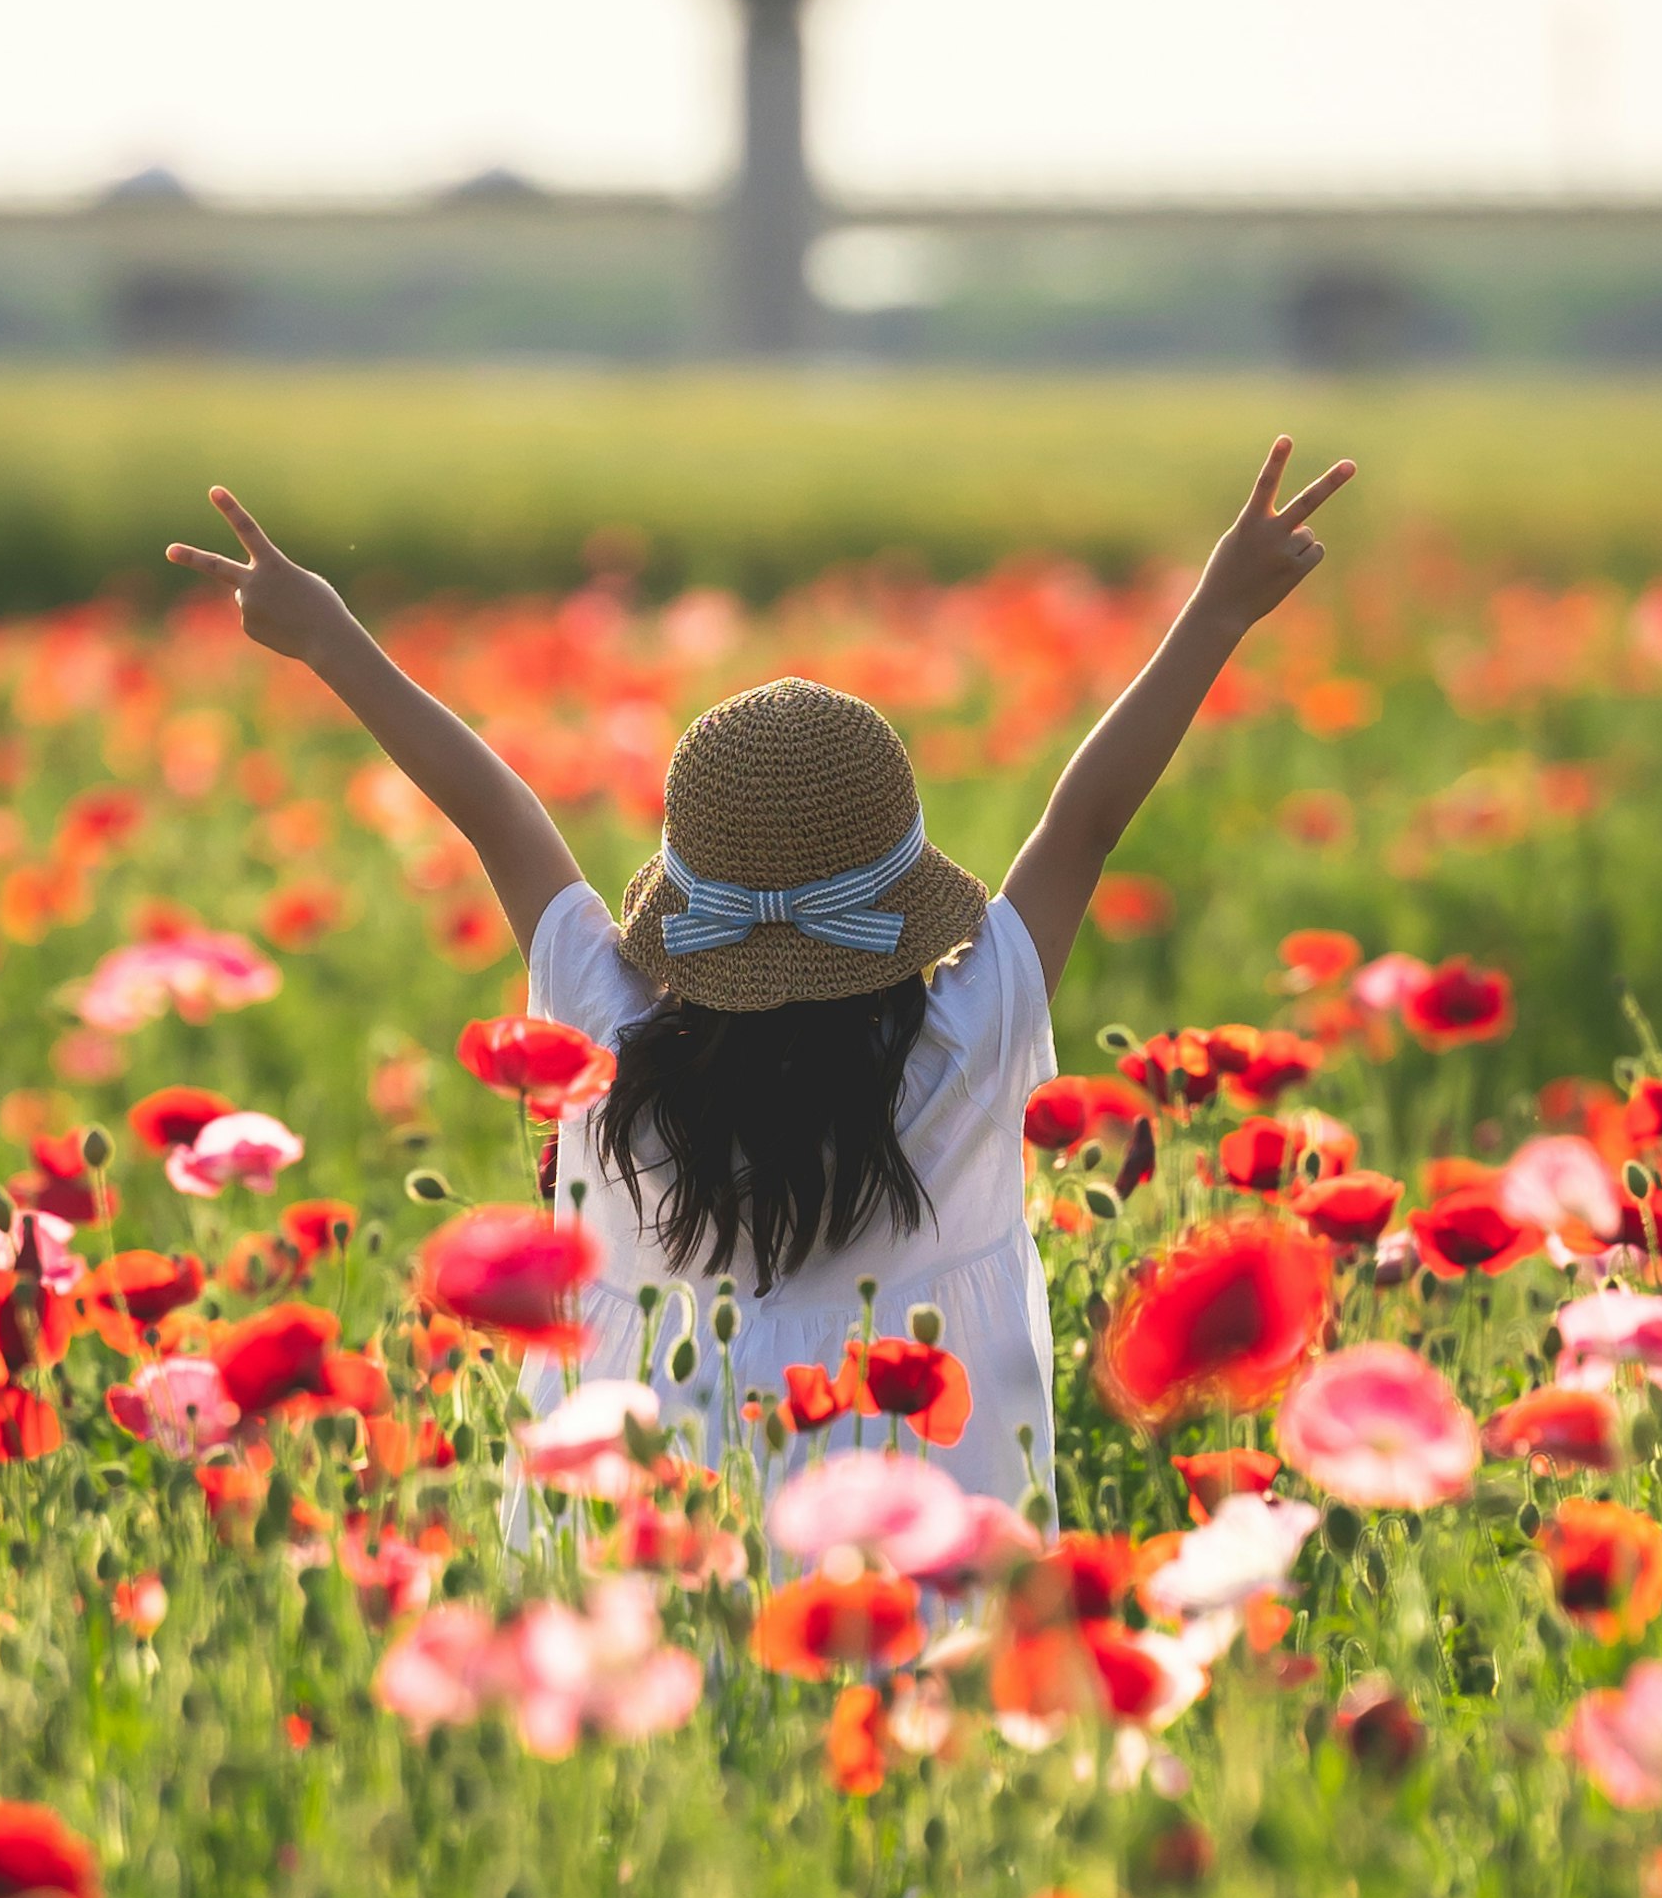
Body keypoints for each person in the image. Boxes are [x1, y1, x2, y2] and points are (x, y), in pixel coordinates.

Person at [165, 434, 1354, 1508]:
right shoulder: (965, 1044)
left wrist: (326, 635)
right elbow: (1084, 822)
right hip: (914, 1590)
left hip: (650, 1585)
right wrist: (1215, 613)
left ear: (687, 904)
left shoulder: (603, 1039)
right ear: (898, 906)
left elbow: (492, 811)